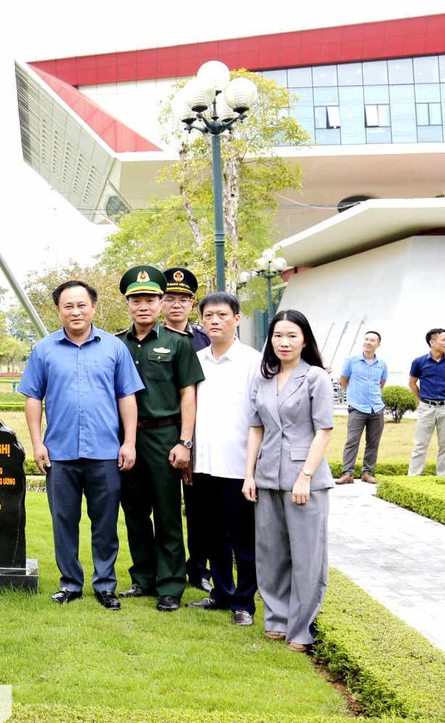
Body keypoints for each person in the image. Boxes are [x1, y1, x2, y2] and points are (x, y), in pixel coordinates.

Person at [19, 280, 143, 608]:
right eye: (68, 306)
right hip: (59, 453)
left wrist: (129, 442)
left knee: (105, 523)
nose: (75, 311)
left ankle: (105, 585)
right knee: (64, 521)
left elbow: (126, 396)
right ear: (58, 310)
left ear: (93, 307)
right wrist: (37, 443)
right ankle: (71, 583)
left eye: (81, 305)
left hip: (105, 452)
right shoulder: (43, 350)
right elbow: (33, 398)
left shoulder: (114, 348)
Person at [242, 310, 334, 652]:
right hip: (267, 476)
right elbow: (256, 428)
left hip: (304, 479)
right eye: (278, 335)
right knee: (271, 554)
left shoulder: (316, 378)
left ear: (304, 340)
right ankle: (277, 620)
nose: (284, 342)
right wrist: (249, 474)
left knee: (307, 557)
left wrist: (305, 477)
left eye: (292, 335)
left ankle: (301, 629)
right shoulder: (263, 378)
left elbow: (323, 431)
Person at [115, 265, 205, 612]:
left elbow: (188, 395)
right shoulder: (115, 344)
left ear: (159, 302)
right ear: (128, 304)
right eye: (136, 299)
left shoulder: (177, 344)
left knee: (167, 514)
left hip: (164, 437)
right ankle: (143, 579)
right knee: (134, 513)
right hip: (126, 439)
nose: (144, 305)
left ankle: (170, 585)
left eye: (151, 299)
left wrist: (185, 442)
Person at [185, 292, 261, 627]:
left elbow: (260, 418)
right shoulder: (196, 360)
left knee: (242, 540)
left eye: (222, 315)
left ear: (237, 319)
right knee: (210, 535)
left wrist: (252, 471)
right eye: (209, 316)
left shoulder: (253, 362)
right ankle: (221, 593)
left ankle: (244, 602)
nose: (215, 321)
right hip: (203, 465)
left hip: (238, 466)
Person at [162, 265, 212, 593]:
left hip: (200, 436)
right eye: (170, 297)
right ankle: (165, 569)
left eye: (184, 298)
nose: (177, 304)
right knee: (163, 507)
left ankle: (200, 568)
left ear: (192, 304)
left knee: (200, 508)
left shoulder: (205, 341)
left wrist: (191, 442)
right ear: (161, 302)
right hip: (162, 435)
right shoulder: (147, 339)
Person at [408, 328, 445, 477]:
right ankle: (413, 478)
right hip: (426, 408)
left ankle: (442, 477)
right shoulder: (419, 362)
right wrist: (423, 399)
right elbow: (412, 383)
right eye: (443, 340)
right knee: (420, 445)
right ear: (432, 342)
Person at [337, 331, 388, 484]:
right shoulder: (351, 361)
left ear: (378, 344)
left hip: (376, 408)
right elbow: (343, 380)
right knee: (352, 441)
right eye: (366, 339)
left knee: (373, 442)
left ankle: (367, 473)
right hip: (357, 407)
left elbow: (381, 383)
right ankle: (348, 474)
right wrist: (352, 395)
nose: (368, 342)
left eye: (372, 340)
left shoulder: (382, 364)